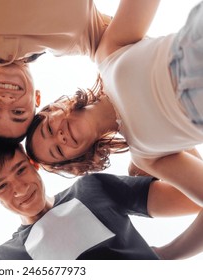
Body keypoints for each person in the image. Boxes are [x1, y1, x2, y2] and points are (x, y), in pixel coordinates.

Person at [25, 1, 203, 206]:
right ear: (76, 159)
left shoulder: (108, 55)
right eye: (58, 150)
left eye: (49, 129)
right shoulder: (145, 157)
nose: (60, 137)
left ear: (55, 108)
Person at [0, 0, 161, 141]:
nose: (6, 100)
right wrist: (154, 149)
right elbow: (147, 68)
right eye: (18, 112)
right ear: (36, 98)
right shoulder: (83, 39)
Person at [0, 144, 202, 260]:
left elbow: (193, 198)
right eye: (2, 186)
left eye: (20, 170)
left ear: (33, 164)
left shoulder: (92, 188)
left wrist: (154, 155)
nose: (20, 189)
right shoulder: (6, 257)